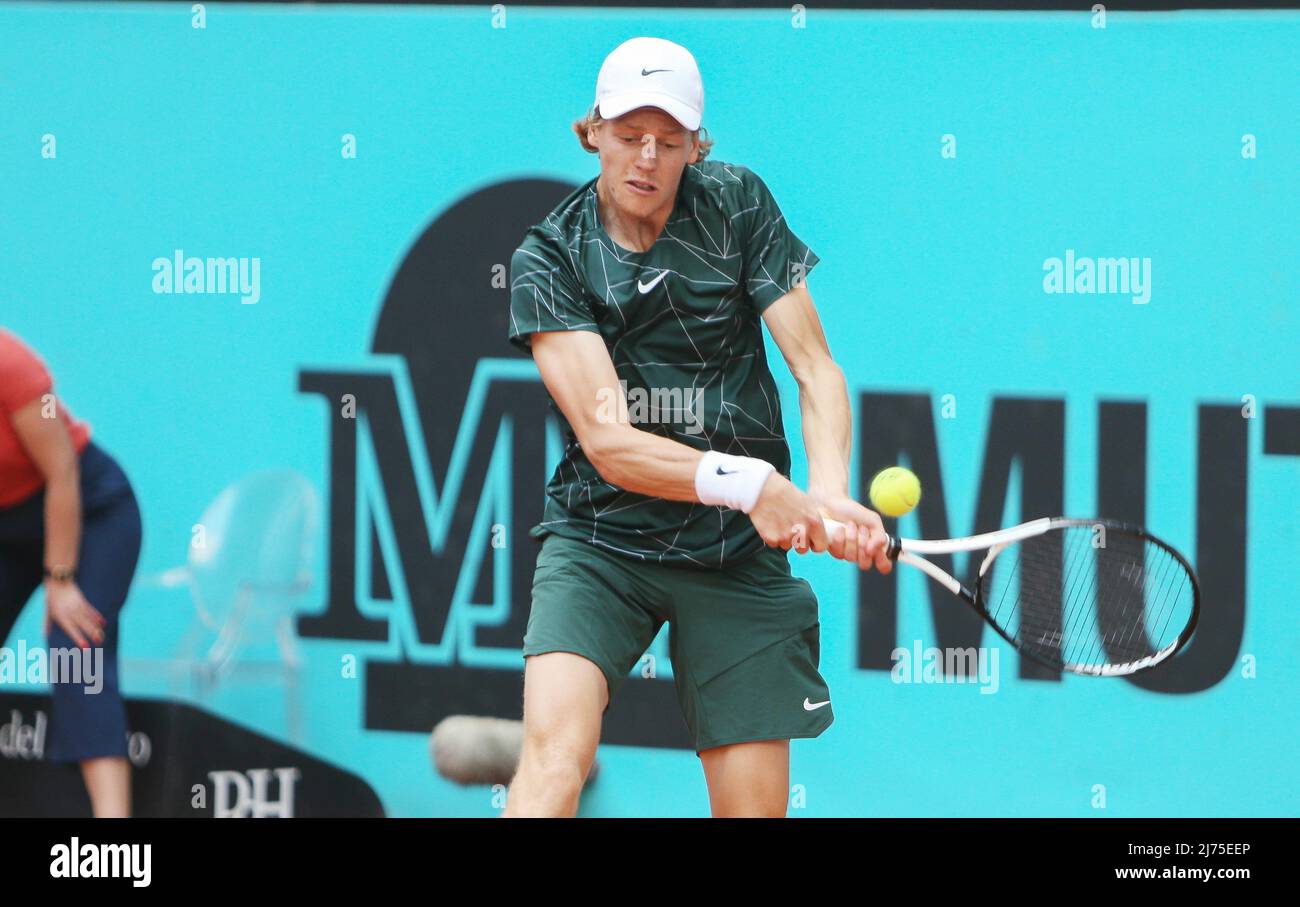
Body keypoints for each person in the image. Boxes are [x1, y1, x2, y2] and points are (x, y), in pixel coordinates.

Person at [503, 37, 892, 818]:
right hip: (600, 543)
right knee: (553, 763)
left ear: (694, 146)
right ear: (595, 131)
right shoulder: (549, 259)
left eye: (669, 141)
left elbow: (815, 368)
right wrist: (754, 483)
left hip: (731, 557)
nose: (647, 158)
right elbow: (609, 444)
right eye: (628, 135)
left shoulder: (737, 203)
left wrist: (831, 492)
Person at [0, 328, 141, 817]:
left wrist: (59, 582)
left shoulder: (15, 367)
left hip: (91, 510)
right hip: (8, 528)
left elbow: (62, 473)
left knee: (74, 650)